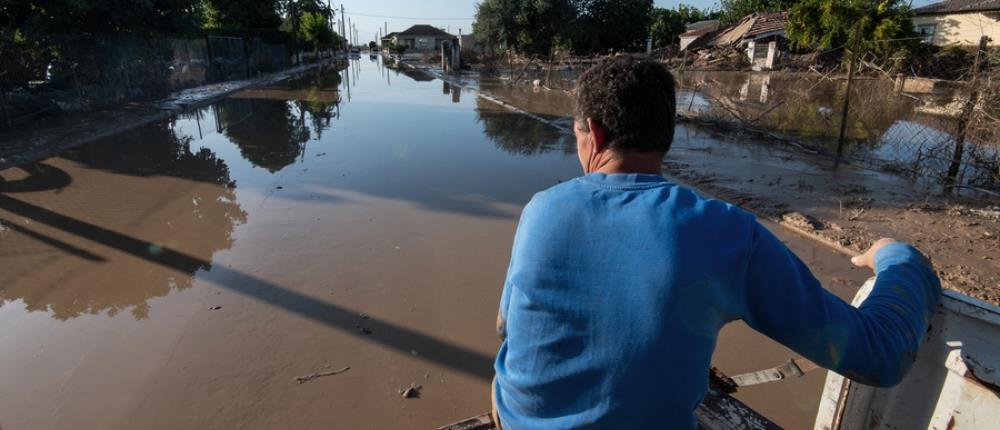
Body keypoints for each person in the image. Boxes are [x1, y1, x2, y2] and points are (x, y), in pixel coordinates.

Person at [490, 56, 941, 429]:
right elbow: (881, 355)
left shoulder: (541, 209)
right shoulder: (726, 233)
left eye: (577, 136)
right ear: (667, 133)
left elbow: (506, 326)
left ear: (595, 133)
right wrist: (898, 258)